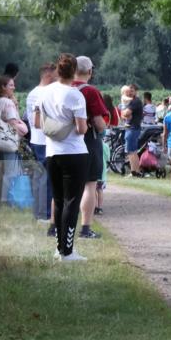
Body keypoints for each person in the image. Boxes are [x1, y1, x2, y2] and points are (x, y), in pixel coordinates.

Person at [35, 53, 89, 261]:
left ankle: (59, 249)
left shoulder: (45, 92)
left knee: (58, 200)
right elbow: (81, 128)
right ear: (74, 72)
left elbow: (38, 122)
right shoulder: (75, 95)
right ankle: (68, 251)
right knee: (72, 202)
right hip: (74, 152)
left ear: (57, 70)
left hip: (52, 152)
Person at [72, 56, 108, 239]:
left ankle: (58, 226)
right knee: (89, 185)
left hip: (64, 143)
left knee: (66, 187)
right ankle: (85, 228)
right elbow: (99, 123)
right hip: (87, 141)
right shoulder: (90, 91)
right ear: (90, 71)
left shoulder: (63, 89)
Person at [25, 63, 57, 224]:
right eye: (56, 73)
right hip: (45, 140)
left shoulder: (32, 93)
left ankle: (37, 212)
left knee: (38, 178)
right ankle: (45, 214)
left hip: (35, 139)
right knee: (48, 179)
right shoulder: (47, 92)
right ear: (48, 74)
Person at [0, 75, 29, 203]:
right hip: (9, 141)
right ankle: (8, 200)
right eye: (11, 85)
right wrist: (23, 130)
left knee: (4, 170)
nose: (14, 87)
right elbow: (13, 123)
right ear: (3, 87)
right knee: (11, 172)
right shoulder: (8, 102)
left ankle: (3, 197)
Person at [124, 85, 144, 176]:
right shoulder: (134, 101)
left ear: (136, 91)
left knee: (131, 151)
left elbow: (126, 113)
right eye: (129, 91)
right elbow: (124, 114)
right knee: (134, 151)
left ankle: (134, 171)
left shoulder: (135, 101)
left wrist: (124, 113)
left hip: (132, 128)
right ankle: (136, 171)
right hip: (133, 128)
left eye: (132, 91)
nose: (130, 92)